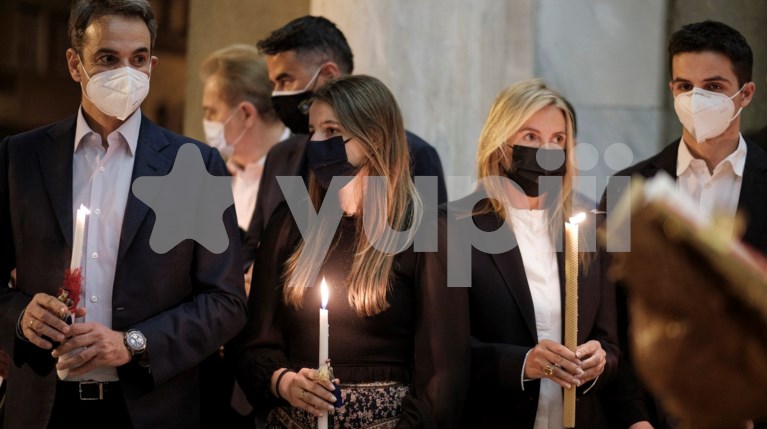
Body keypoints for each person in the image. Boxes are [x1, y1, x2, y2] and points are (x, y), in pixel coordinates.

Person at [0, 1, 247, 428]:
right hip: (44, 407)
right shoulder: (20, 157)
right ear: (75, 65)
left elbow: (225, 302)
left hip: (151, 407)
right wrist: (21, 317)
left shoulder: (195, 163)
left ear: (151, 63)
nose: (126, 73)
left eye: (138, 59)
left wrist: (133, 343)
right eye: (108, 59)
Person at [235, 75, 469, 428]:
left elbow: (442, 374)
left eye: (331, 130)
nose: (316, 142)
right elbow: (254, 345)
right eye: (312, 131)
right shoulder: (291, 220)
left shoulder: (430, 231)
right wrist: (283, 382)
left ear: (374, 136)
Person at [601, 20, 767, 429]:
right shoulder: (630, 186)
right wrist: (634, 417)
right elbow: (612, 313)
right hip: (657, 416)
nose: (696, 99)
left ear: (745, 94)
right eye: (683, 86)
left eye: (712, 87)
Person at [449, 79, 619, 428]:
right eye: (530, 137)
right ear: (500, 144)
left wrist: (600, 360)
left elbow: (611, 342)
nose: (547, 150)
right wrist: (523, 363)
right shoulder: (455, 227)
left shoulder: (589, 230)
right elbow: (444, 348)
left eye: (558, 139)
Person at [241, 15, 448, 263]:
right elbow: (254, 246)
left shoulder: (415, 153)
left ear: (328, 73)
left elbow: (430, 256)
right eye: (274, 83)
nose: (277, 94)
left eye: (286, 80)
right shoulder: (280, 156)